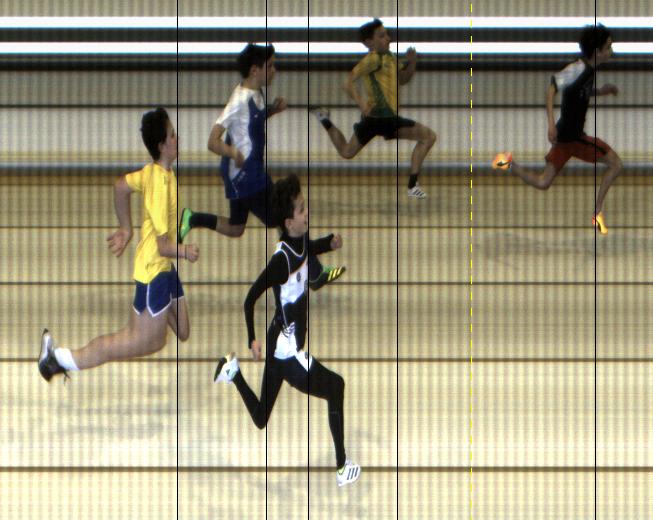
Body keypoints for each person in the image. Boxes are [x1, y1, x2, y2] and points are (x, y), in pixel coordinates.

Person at [213, 174, 361, 487]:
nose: (307, 213)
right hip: (287, 350)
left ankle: (232, 371)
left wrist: (329, 243)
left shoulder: (300, 240)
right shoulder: (280, 262)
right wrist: (251, 339)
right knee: (336, 387)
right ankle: (341, 468)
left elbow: (309, 249)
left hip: (277, 338)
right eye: (302, 209)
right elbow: (250, 298)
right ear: (288, 222)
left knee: (260, 417)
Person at [38, 107, 199, 381]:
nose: (177, 138)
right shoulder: (159, 186)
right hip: (153, 272)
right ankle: (56, 358)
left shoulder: (155, 172)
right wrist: (185, 251)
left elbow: (120, 186)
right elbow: (163, 246)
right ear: (162, 145)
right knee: (136, 342)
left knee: (182, 331)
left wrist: (126, 228)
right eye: (173, 135)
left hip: (163, 268)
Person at [178, 43, 345, 290]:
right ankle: (315, 273)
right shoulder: (238, 100)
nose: (274, 70)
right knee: (286, 216)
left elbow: (251, 120)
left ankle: (192, 218)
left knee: (236, 227)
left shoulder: (255, 93)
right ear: (255, 70)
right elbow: (212, 141)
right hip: (245, 176)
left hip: (248, 173)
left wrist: (272, 110)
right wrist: (232, 152)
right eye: (270, 66)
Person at [493, 24, 622, 234]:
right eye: (608, 46)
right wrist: (551, 123)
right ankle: (597, 213)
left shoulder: (589, 71)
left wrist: (602, 91)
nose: (611, 50)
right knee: (616, 164)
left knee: (543, 182)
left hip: (567, 139)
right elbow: (552, 89)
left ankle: (508, 163)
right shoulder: (577, 68)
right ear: (597, 51)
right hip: (573, 138)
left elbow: (580, 92)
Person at [310, 18, 437, 199]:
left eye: (387, 35)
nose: (388, 38)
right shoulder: (372, 59)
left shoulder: (391, 57)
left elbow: (403, 79)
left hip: (381, 119)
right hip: (382, 117)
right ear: (369, 42)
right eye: (382, 36)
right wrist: (361, 102)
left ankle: (324, 119)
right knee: (428, 137)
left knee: (347, 151)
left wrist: (412, 62)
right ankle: (412, 186)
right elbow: (347, 84)